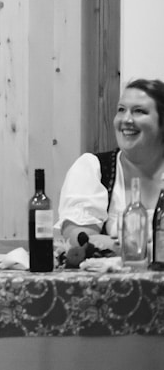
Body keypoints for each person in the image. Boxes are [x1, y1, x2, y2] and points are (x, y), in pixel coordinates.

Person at [56, 78, 164, 249]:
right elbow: (77, 235)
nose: (126, 119)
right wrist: (129, 249)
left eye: (139, 111)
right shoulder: (93, 168)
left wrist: (111, 244)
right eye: (121, 110)